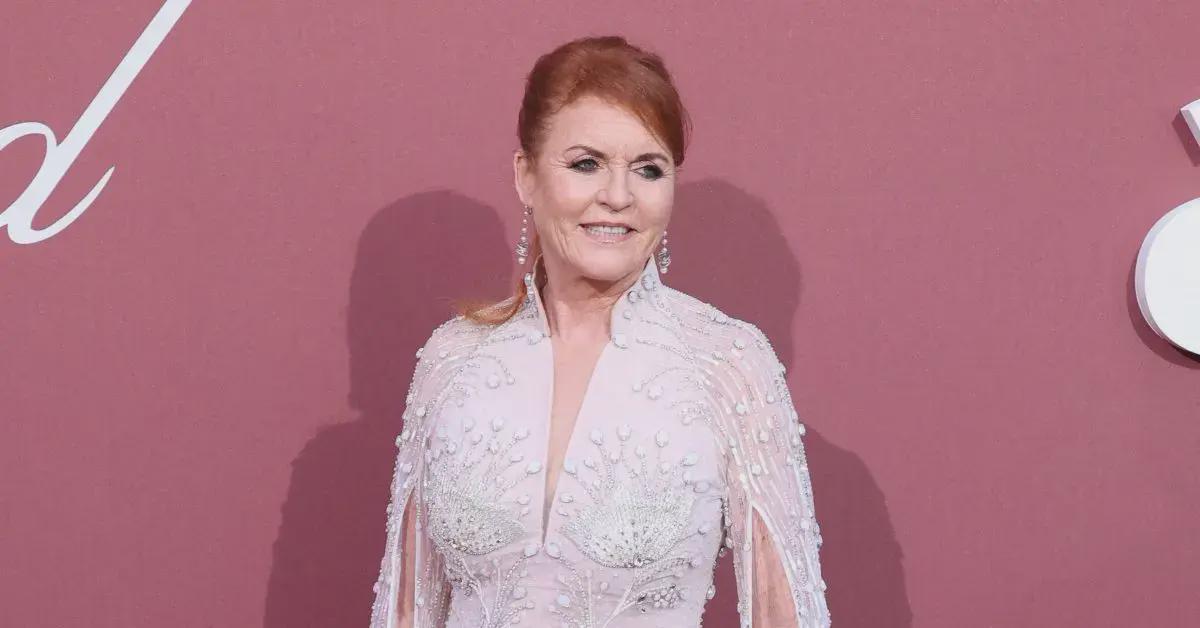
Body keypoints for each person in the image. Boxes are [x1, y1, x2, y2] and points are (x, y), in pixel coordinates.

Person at [368, 35, 830, 628]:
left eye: (648, 169)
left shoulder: (728, 365)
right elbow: (405, 608)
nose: (618, 196)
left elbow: (786, 615)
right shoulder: (453, 359)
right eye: (586, 164)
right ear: (526, 176)